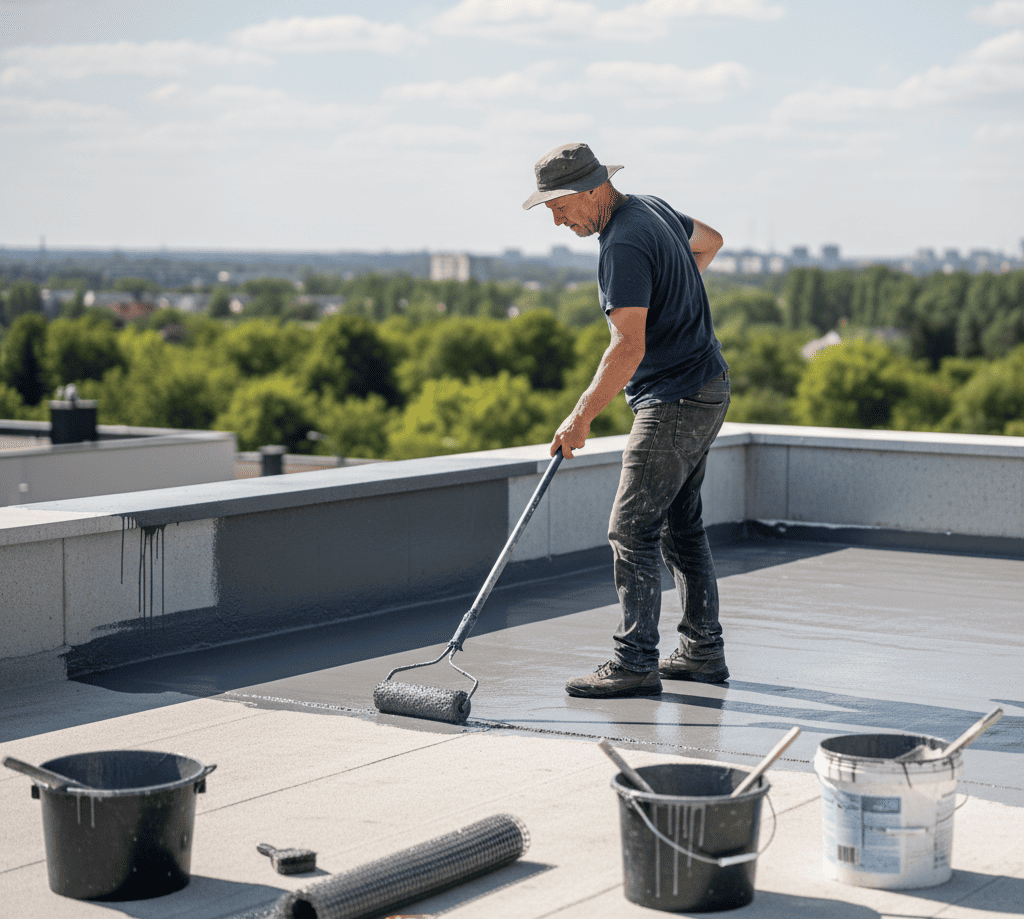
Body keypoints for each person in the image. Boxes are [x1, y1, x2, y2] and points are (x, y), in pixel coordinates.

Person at [523, 142, 731, 698]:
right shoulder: (651, 208)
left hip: (675, 399)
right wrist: (673, 293)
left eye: (560, 206)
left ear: (594, 190)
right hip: (708, 384)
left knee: (631, 529)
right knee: (681, 525)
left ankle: (635, 661)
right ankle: (702, 652)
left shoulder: (621, 243)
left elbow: (627, 346)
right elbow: (709, 243)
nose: (557, 218)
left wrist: (579, 418)